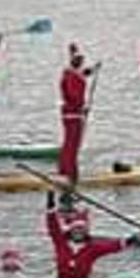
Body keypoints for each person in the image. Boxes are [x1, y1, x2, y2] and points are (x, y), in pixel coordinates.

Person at [43, 193, 129, 278]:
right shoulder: (60, 242)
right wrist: (50, 206)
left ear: (86, 231)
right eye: (76, 229)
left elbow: (112, 246)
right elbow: (52, 225)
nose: (79, 232)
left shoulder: (93, 247)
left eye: (82, 229)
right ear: (71, 230)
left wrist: (131, 240)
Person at [57, 43, 100, 182]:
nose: (81, 63)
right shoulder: (70, 76)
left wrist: (94, 69)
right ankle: (70, 174)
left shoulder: (73, 72)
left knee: (70, 143)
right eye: (79, 61)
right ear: (75, 62)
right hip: (73, 115)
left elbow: (83, 73)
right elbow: (72, 95)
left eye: (81, 60)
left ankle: (65, 170)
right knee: (72, 145)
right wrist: (82, 108)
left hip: (73, 114)